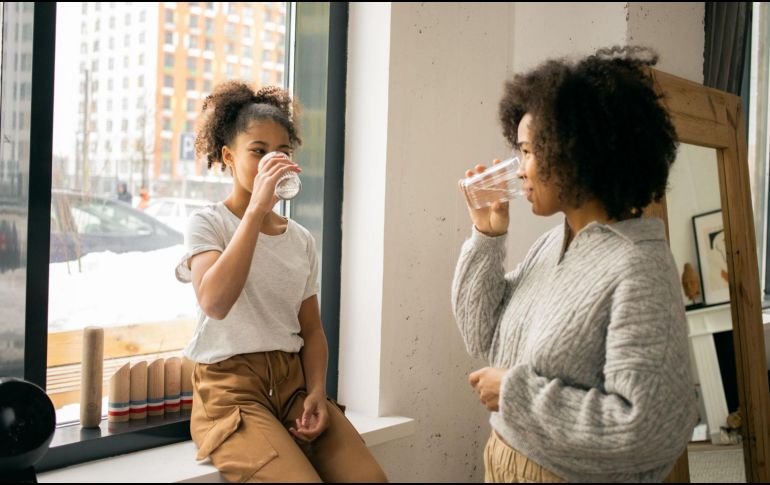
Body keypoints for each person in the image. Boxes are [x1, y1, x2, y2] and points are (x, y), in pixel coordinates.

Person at [452, 46, 698, 483]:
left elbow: (649, 429)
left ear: (576, 153)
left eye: (529, 151)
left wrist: (515, 394)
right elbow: (482, 337)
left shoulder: (637, 268)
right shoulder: (554, 244)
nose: (520, 170)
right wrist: (486, 237)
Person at [175, 81, 387, 483]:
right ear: (229, 156)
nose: (272, 162)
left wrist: (317, 392)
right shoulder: (208, 223)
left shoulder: (300, 239)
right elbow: (215, 302)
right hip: (231, 390)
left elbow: (312, 331)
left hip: (293, 386)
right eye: (258, 151)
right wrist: (256, 210)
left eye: (282, 153)